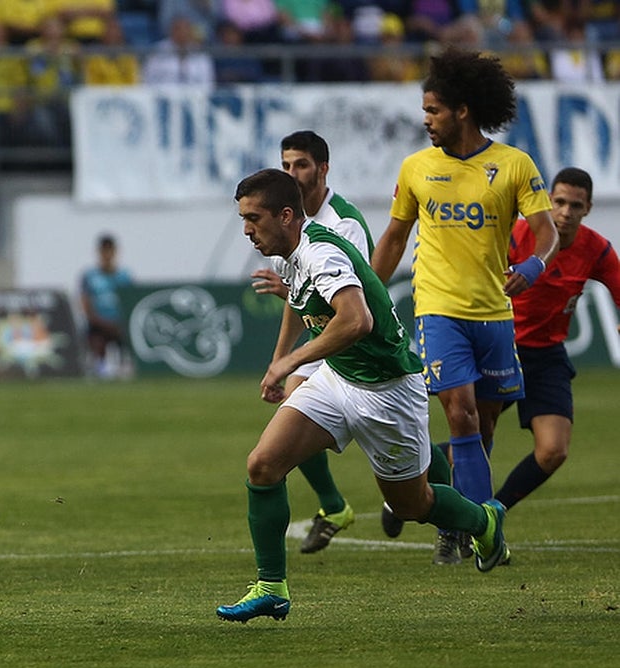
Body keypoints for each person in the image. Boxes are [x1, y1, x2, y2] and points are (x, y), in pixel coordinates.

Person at [216, 169, 508, 624]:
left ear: (287, 215)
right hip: (338, 381)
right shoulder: (287, 256)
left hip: (389, 392)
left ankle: (484, 522)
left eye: (254, 218)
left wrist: (290, 364)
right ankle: (271, 586)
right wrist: (279, 362)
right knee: (263, 465)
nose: (247, 230)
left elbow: (356, 321)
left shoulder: (322, 252)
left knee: (414, 505)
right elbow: (300, 307)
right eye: (243, 219)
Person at [369, 47, 558, 565]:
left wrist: (534, 266)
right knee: (462, 414)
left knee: (485, 426)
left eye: (433, 111)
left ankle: (428, 499)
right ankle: (479, 531)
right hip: (438, 308)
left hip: (495, 313)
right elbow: (392, 238)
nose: (425, 120)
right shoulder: (416, 168)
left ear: (463, 111)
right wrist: (364, 292)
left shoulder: (514, 165)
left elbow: (546, 232)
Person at [250, 130, 374, 554]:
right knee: (292, 408)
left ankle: (341, 504)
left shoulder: (344, 224)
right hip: (322, 336)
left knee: (404, 442)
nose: (293, 173)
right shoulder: (285, 220)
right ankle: (334, 505)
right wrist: (279, 358)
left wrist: (288, 356)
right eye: (286, 165)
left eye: (300, 164)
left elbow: (354, 303)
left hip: (359, 342)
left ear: (322, 168)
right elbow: (301, 298)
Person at [496, 168, 620, 510]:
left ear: (588, 208)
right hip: (502, 351)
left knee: (553, 451)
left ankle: (494, 512)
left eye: (575, 205)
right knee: (473, 438)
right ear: (548, 201)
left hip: (548, 354)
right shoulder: (516, 236)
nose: (566, 212)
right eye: (560, 202)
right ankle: (419, 484)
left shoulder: (595, 249)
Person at [79, 233, 133, 379]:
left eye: (110, 250)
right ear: (99, 252)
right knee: (96, 337)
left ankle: (124, 366)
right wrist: (98, 321)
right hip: (99, 324)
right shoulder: (90, 276)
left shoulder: (124, 276)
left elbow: (130, 302)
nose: (107, 255)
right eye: (104, 251)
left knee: (126, 333)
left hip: (119, 324)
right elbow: (85, 303)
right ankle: (99, 367)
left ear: (115, 252)